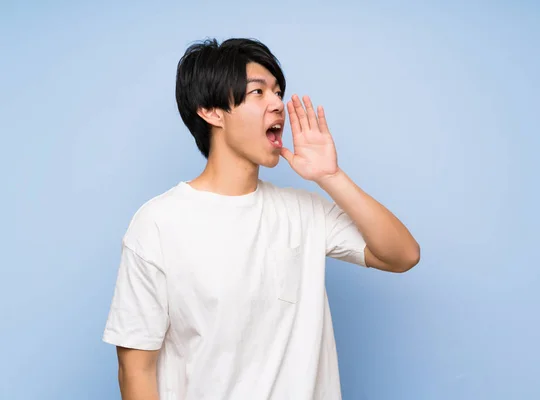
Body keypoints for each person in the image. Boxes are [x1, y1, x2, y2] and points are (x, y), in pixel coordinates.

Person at [102, 37, 420, 400]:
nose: (277, 104)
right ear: (211, 111)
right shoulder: (159, 223)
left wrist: (331, 177)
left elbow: (402, 255)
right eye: (258, 92)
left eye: (278, 91)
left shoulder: (305, 211)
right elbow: (135, 368)